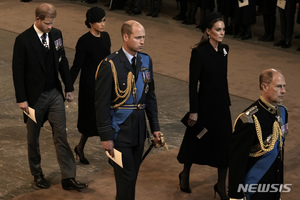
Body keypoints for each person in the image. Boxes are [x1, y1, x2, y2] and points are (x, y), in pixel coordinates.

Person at [12, 3, 87, 190]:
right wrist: (22, 99)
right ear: (38, 19)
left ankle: (68, 177)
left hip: (54, 93)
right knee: (33, 138)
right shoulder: (23, 40)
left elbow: (62, 62)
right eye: (47, 23)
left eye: (52, 23)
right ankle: (37, 174)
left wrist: (68, 87)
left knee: (62, 135)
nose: (50, 27)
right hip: (33, 98)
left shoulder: (56, 35)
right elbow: (17, 72)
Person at [94, 20, 161, 200]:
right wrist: (106, 137)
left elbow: (150, 96)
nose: (142, 41)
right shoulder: (110, 64)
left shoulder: (146, 60)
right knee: (126, 178)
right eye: (138, 37)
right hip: (119, 132)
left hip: (139, 131)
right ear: (125, 37)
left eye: (143, 37)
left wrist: (155, 127)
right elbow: (101, 104)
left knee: (130, 180)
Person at [177, 12, 232, 200]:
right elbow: (193, 84)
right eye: (218, 29)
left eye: (224, 29)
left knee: (224, 145)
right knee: (195, 141)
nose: (222, 32)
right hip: (204, 106)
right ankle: (184, 174)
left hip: (222, 106)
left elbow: (222, 79)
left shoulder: (225, 50)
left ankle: (221, 187)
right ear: (208, 31)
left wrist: (227, 102)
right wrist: (194, 110)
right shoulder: (199, 53)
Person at [228, 69, 288, 200]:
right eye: (278, 86)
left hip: (273, 185)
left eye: (284, 86)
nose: (283, 91)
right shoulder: (249, 120)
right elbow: (237, 161)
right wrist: (235, 196)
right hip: (254, 187)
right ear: (264, 87)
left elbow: (279, 151)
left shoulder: (283, 112)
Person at [70, 7, 111, 165]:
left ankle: (111, 154)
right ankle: (80, 147)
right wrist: (69, 86)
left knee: (107, 119)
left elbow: (109, 61)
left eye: (104, 20)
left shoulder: (106, 37)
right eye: (100, 21)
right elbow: (77, 66)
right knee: (90, 120)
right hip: (90, 86)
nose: (103, 24)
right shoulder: (84, 41)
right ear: (90, 23)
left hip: (105, 83)